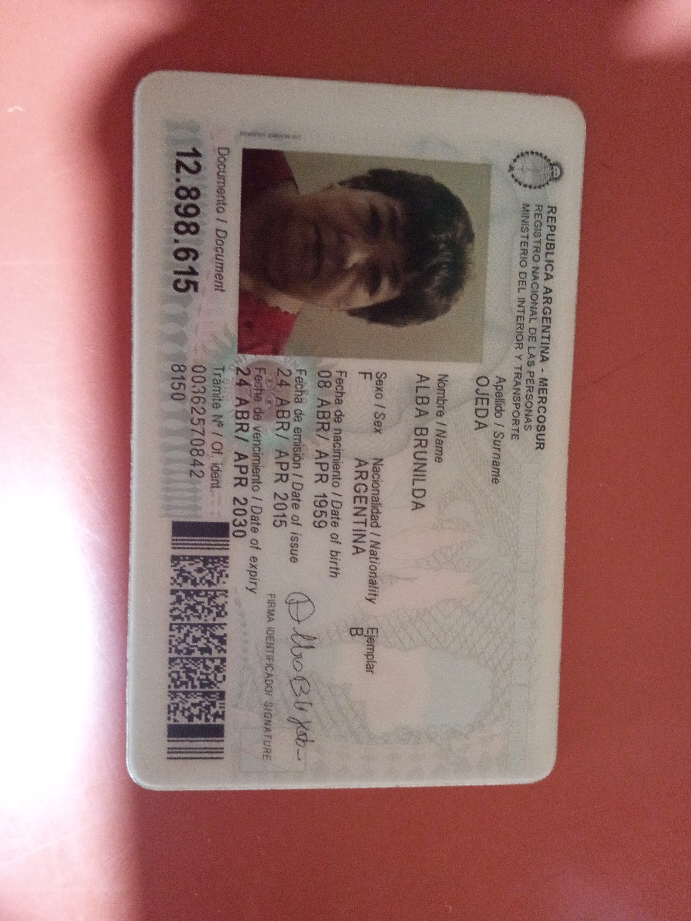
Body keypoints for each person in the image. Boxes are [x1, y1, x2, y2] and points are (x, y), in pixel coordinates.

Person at [238, 148, 475, 355]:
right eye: (373, 221)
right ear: (350, 186)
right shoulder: (246, 144)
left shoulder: (246, 363)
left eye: (374, 278)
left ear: (353, 309)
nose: (351, 253)